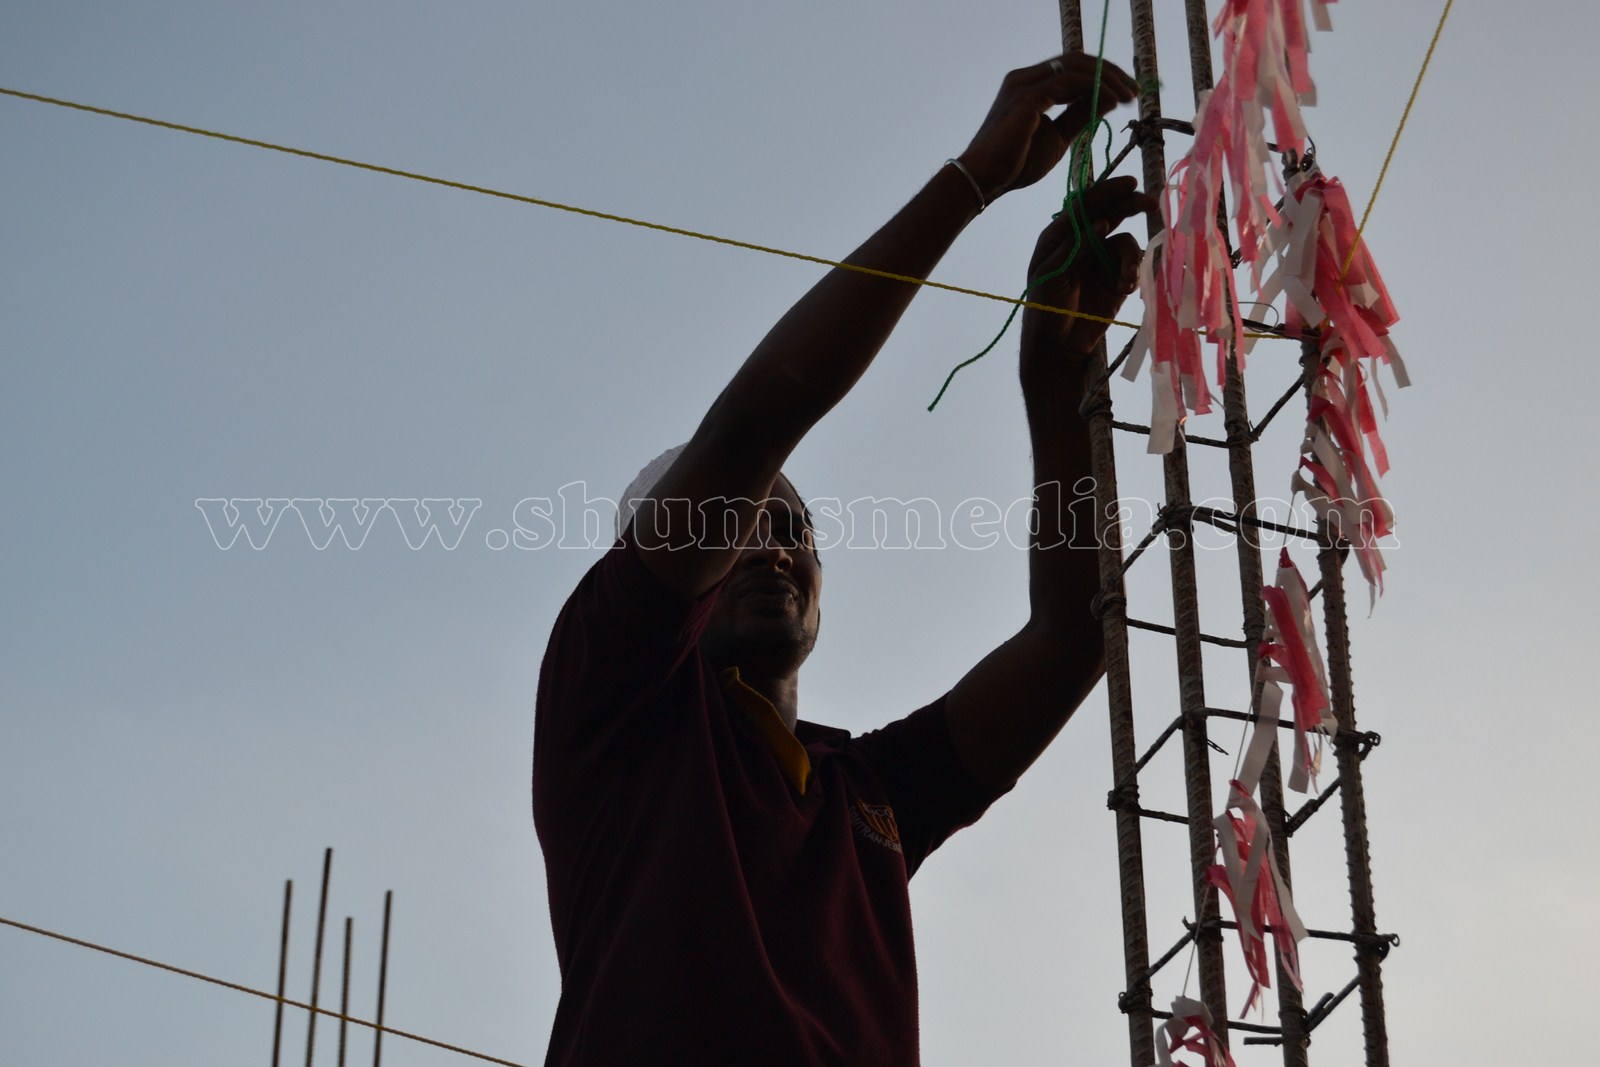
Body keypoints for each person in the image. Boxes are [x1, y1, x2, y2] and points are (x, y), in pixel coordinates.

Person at [533, 54, 1156, 1065]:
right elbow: (754, 425)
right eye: (745, 522)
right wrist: (971, 183)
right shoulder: (616, 700)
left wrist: (1055, 382)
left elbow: (1071, 638)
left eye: (796, 531)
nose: (772, 545)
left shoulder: (866, 790)